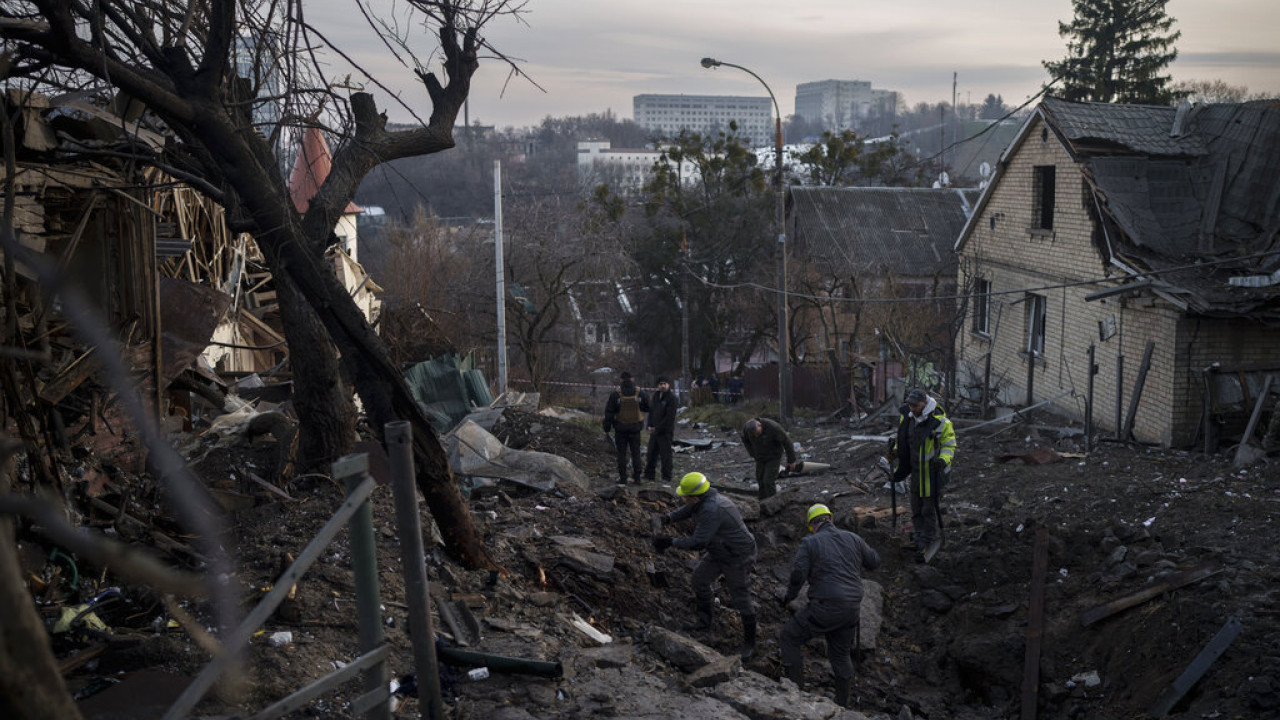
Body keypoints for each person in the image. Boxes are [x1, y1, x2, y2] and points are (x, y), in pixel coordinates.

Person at [779, 504, 880, 708]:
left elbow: (798, 574)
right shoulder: (853, 538)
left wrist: (789, 597)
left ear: (812, 526)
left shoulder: (810, 542)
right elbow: (874, 562)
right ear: (830, 520)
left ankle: (796, 697)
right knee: (840, 655)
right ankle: (843, 705)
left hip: (825, 606)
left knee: (789, 637)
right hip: (852, 609)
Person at [653, 472, 758, 659]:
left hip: (737, 556)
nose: (683, 499)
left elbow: (699, 541)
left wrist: (671, 542)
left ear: (694, 496)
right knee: (699, 580)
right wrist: (668, 518)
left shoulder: (712, 508)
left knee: (740, 597)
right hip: (719, 550)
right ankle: (704, 620)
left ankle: (750, 643)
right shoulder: (703, 500)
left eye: (685, 496)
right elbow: (689, 509)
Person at [892, 388, 956, 559]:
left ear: (924, 403)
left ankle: (928, 539)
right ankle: (919, 537)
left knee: (929, 508)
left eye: (915, 405)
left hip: (932, 473)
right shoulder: (908, 418)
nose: (912, 408)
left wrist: (943, 460)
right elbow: (904, 439)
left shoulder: (940, 422)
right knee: (916, 506)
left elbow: (949, 445)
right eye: (910, 405)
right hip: (916, 472)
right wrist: (896, 451)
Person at [603, 371, 650, 484]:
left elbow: (609, 412)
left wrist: (606, 428)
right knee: (636, 453)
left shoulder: (615, 394)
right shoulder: (640, 392)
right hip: (635, 428)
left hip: (620, 428)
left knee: (621, 454)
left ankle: (623, 478)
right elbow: (647, 408)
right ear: (632, 379)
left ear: (621, 380)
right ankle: (637, 478)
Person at [741, 418, 797, 499]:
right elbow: (745, 440)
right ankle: (762, 500)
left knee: (768, 481)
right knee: (760, 479)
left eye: (758, 433)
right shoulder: (747, 429)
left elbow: (786, 442)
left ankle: (772, 502)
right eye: (754, 435)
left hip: (773, 456)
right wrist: (753, 453)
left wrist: (791, 460)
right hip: (760, 456)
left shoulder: (773, 428)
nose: (756, 436)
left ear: (760, 425)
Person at [643, 376, 678, 483]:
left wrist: (658, 428)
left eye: (665, 384)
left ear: (668, 384)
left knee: (665, 455)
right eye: (660, 384)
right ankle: (649, 475)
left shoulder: (672, 398)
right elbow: (651, 412)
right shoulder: (656, 396)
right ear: (657, 386)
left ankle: (666, 477)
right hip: (654, 431)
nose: (663, 386)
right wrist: (649, 425)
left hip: (665, 432)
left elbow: (669, 417)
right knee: (651, 453)